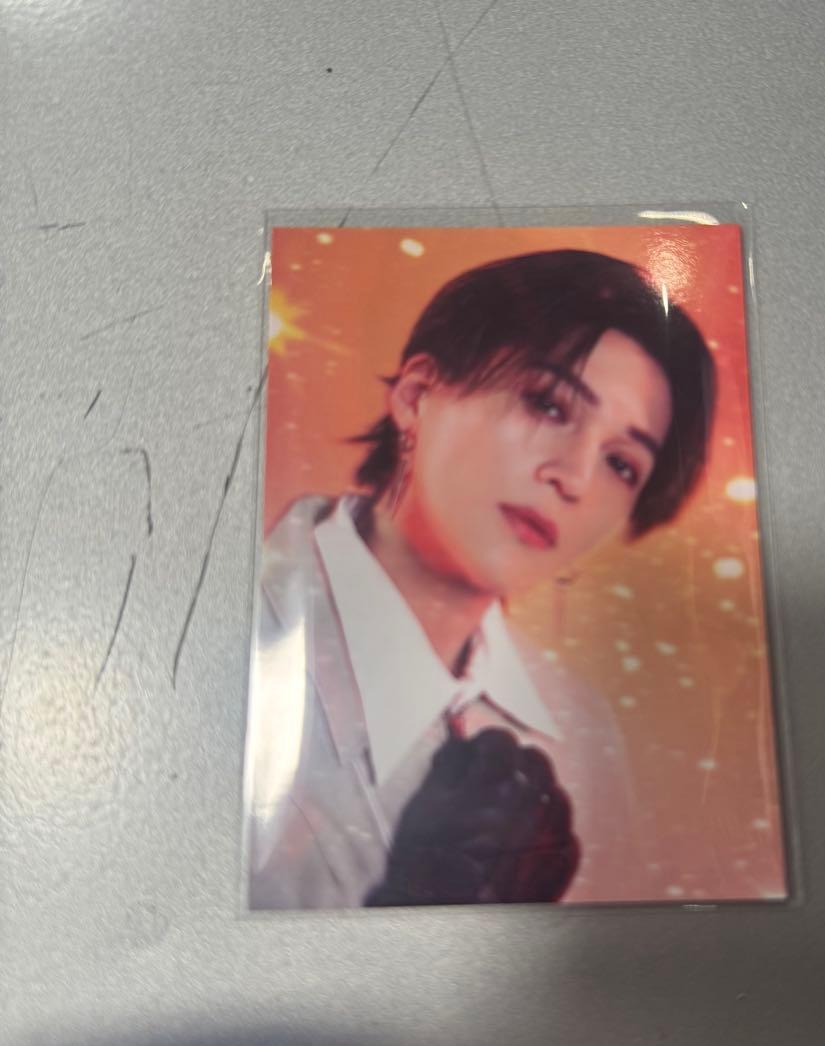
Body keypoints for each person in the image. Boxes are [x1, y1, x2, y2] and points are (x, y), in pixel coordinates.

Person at [245, 248, 716, 908]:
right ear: (416, 396)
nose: (574, 478)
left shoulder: (580, 730)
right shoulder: (233, 641)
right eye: (547, 405)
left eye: (622, 464)